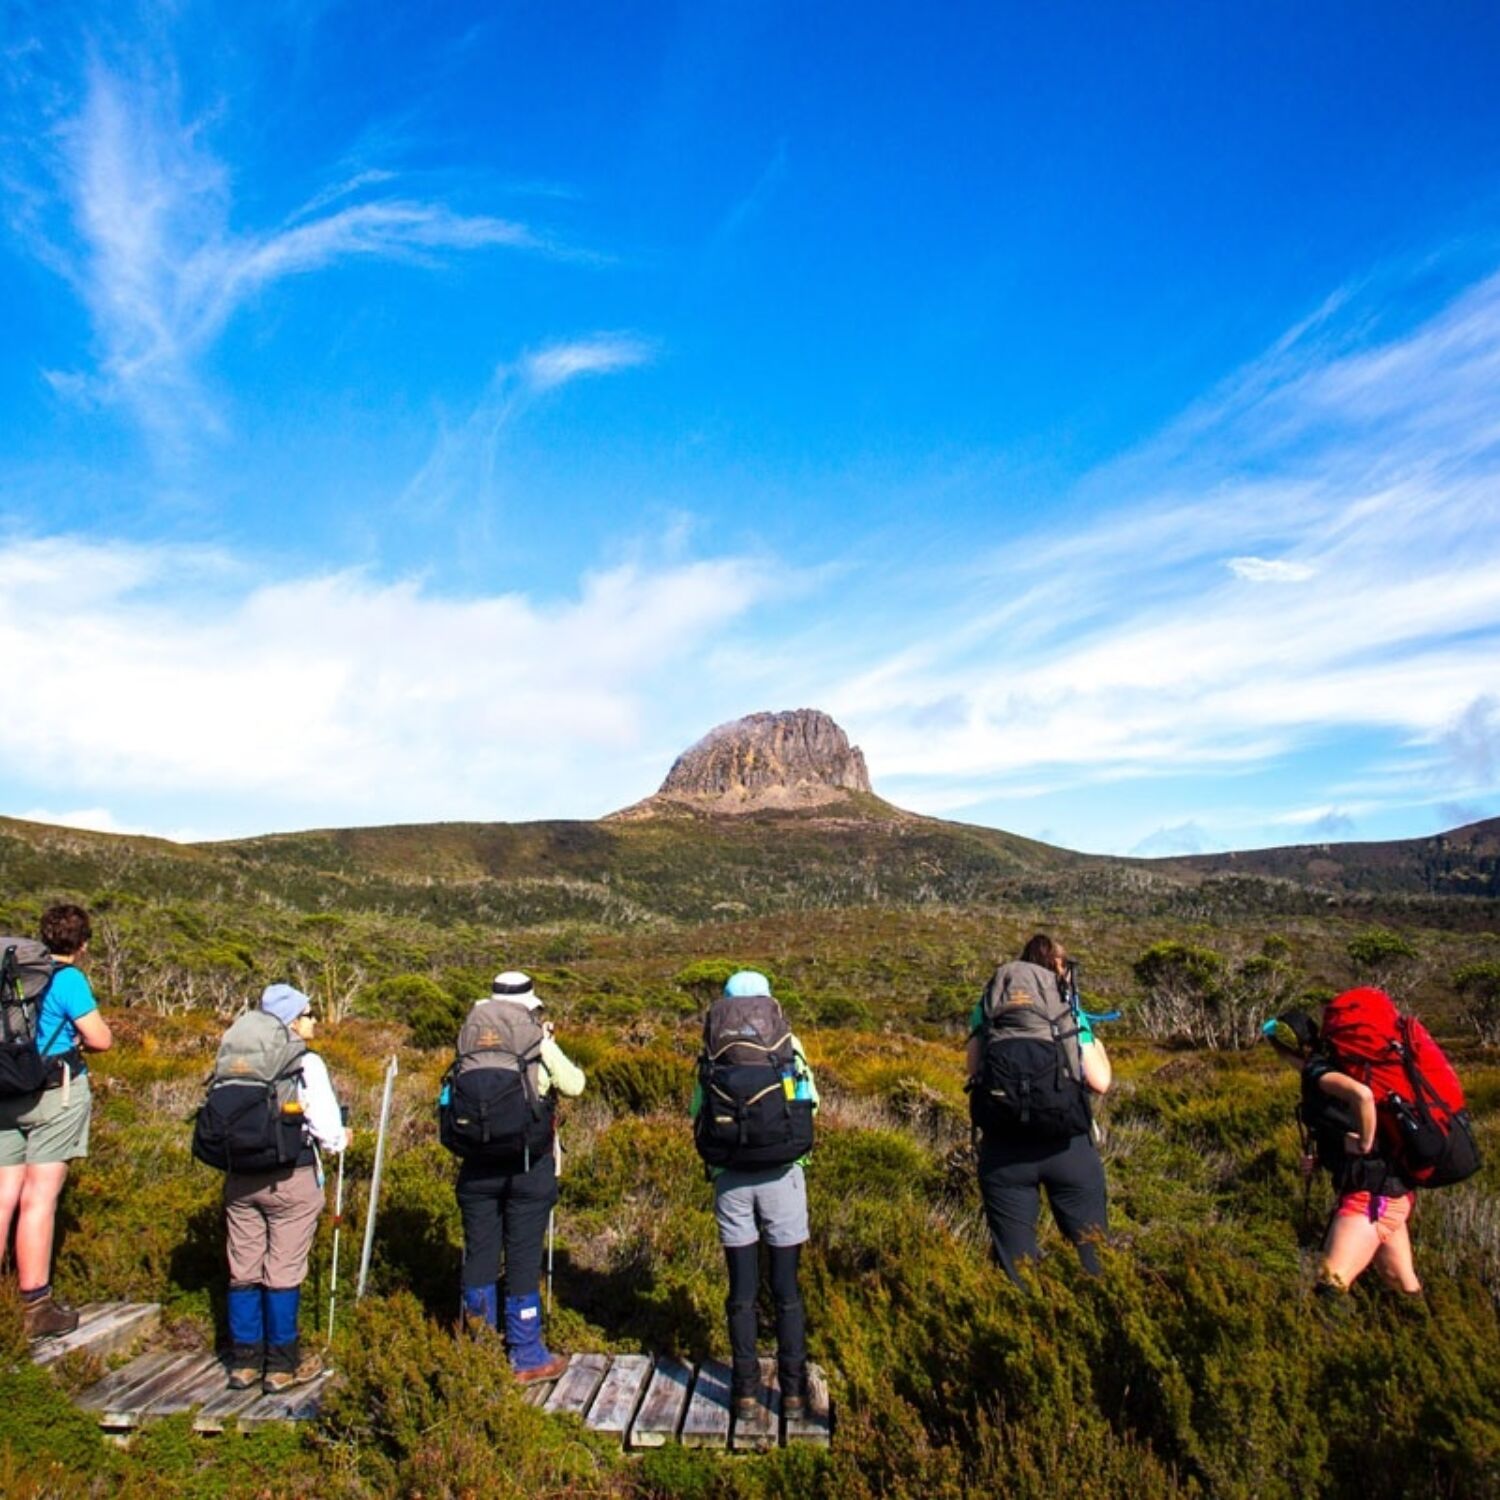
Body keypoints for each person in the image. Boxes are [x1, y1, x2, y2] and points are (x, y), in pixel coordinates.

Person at [690, 969, 818, 1423]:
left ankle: (743, 1393)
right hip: (783, 1176)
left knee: (740, 1292)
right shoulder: (789, 1044)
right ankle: (794, 1394)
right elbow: (810, 1103)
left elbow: (697, 1111)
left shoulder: (713, 1050)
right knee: (786, 1292)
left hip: (730, 1180)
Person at [444, 971, 584, 1383]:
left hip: (476, 1167)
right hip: (528, 1165)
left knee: (480, 1255)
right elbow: (575, 1085)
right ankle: (526, 1355)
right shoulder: (537, 1040)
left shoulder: (467, 1039)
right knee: (523, 1258)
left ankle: (479, 1351)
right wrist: (548, 1045)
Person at [217, 984, 348, 1392]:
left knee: (243, 1268)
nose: (314, 1021)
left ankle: (243, 1362)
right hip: (292, 1177)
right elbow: (327, 1130)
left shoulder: (236, 1057)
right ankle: (281, 1364)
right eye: (309, 1014)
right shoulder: (305, 1062)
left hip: (239, 1179)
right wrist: (342, 1139)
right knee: (284, 1269)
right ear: (292, 1020)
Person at [967, 934, 1112, 1284]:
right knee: (1092, 1257)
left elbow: (974, 1070)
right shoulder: (1065, 1004)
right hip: (1068, 1147)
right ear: (1057, 968)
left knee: (1016, 1267)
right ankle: (1094, 1325)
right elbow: (1099, 1081)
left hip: (1004, 1152)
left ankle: (1025, 1329)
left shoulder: (990, 1004)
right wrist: (1097, 1044)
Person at [0, 904, 112, 1340]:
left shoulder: (14, 975)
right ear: (82, 944)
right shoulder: (68, 980)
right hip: (53, 1093)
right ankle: (35, 1304)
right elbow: (100, 1039)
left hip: (5, 1092)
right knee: (39, 1199)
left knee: (4, 1195)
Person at [1263, 1010, 1421, 1298]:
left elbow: (1362, 1096)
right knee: (1400, 1282)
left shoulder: (1320, 1074)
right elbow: (1340, 1119)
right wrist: (1324, 1157)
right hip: (1390, 1191)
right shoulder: (1328, 1066)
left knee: (1330, 1284)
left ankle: (1329, 1339)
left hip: (1370, 1197)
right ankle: (1431, 1334)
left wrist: (1364, 1143)